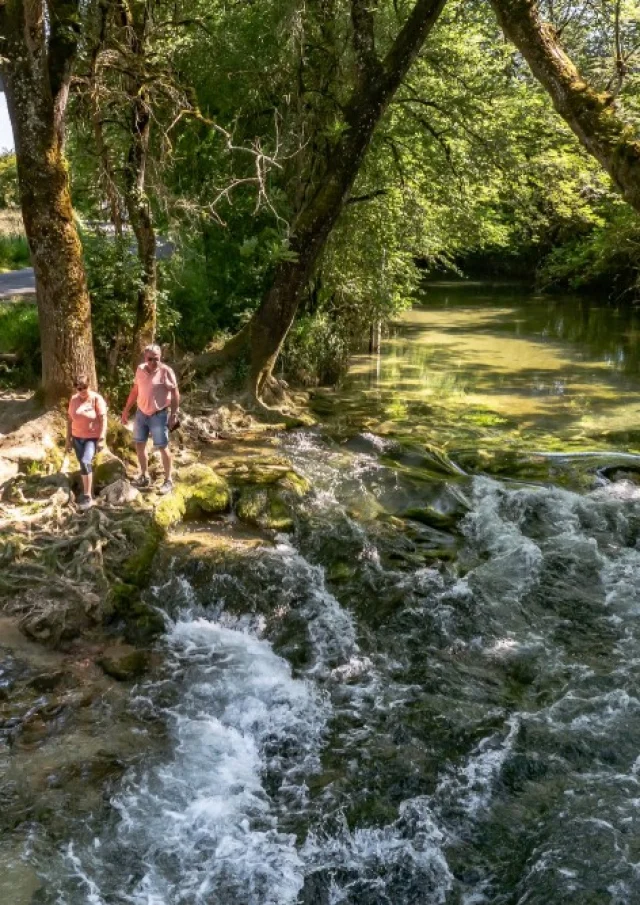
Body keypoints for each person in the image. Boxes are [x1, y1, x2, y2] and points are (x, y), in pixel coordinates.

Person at [120, 344, 180, 494]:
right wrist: (126, 410)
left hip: (158, 415)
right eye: (150, 359)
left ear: (161, 357)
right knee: (139, 445)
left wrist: (173, 414)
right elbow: (135, 390)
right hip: (141, 414)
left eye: (157, 359)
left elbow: (175, 393)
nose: (153, 362)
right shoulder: (140, 369)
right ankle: (144, 475)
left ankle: (168, 480)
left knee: (162, 447)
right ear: (145, 358)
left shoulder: (166, 371)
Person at [66, 374, 107, 510]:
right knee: (83, 465)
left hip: (92, 437)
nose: (82, 391)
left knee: (85, 461)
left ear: (89, 385)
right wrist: (68, 440)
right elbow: (70, 420)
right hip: (77, 438)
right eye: (79, 388)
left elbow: (103, 420)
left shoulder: (96, 399)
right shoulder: (73, 400)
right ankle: (86, 491)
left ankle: (88, 496)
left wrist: (102, 438)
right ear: (76, 388)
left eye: (85, 387)